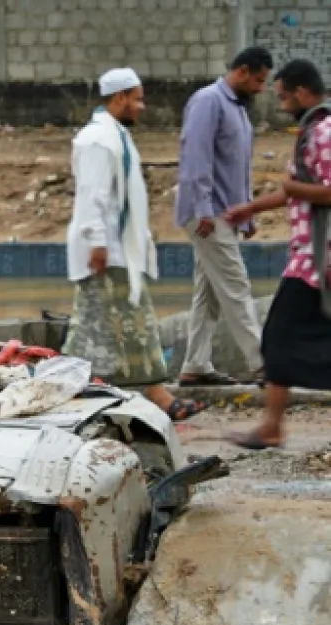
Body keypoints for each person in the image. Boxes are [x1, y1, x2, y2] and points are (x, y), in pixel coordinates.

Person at [63, 68, 206, 421]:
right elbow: (92, 195)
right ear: (120, 97)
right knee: (123, 326)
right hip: (106, 251)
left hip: (118, 250)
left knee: (102, 329)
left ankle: (84, 395)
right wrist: (97, 242)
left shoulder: (115, 136)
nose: (142, 106)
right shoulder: (97, 140)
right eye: (138, 99)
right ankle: (157, 399)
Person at [224, 59, 331, 449]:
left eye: (284, 97)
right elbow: (296, 190)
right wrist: (251, 208)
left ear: (302, 92)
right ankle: (271, 426)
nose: (282, 105)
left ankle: (271, 427)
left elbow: (324, 190)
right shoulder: (312, 131)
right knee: (289, 337)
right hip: (310, 254)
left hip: (318, 258)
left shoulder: (324, 132)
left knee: (278, 334)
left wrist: (292, 187)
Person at [176, 47, 274, 387]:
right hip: (208, 214)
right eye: (258, 80)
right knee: (235, 285)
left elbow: (237, 167)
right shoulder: (209, 101)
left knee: (209, 293)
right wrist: (203, 208)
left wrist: (247, 212)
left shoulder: (238, 109)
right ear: (242, 71)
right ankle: (262, 364)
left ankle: (195, 364)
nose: (261, 89)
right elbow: (195, 158)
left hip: (226, 214)